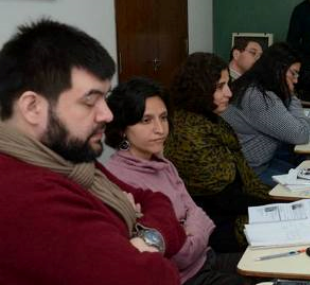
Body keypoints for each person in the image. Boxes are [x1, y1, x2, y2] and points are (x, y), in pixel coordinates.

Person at [0, 19, 184, 284]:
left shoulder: (66, 159)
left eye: (105, 98)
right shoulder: (24, 195)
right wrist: (139, 238)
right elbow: (158, 278)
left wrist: (145, 239)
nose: (107, 114)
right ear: (31, 107)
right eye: (90, 101)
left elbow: (156, 200)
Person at [102, 78, 247, 285]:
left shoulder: (163, 164)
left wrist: (189, 231)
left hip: (207, 259)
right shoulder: (117, 179)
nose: (160, 129)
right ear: (123, 128)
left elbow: (199, 214)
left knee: (268, 264)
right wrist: (193, 230)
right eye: (146, 120)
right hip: (183, 279)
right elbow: (180, 255)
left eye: (163, 118)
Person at [166, 53, 272, 253]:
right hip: (219, 228)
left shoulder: (208, 120)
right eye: (220, 87)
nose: (229, 93)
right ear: (199, 89)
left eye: (228, 84)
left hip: (233, 212)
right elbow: (224, 200)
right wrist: (275, 206)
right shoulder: (189, 134)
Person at [223, 43, 310, 186]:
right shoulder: (259, 96)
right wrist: (290, 93)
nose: (295, 80)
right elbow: (300, 134)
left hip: (259, 163)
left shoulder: (256, 87)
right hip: (250, 172)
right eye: (293, 73)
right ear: (277, 69)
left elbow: (296, 123)